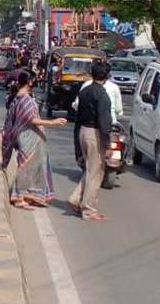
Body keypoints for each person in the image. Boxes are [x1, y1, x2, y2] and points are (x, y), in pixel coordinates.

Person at [1, 71, 66, 209]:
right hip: (26, 136)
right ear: (29, 82)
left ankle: (31, 196)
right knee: (26, 166)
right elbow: (31, 119)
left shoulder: (21, 97)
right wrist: (53, 122)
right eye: (34, 79)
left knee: (35, 165)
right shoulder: (24, 99)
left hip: (31, 136)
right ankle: (19, 198)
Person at [69, 63, 113, 221]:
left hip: (82, 131)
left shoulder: (85, 91)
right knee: (96, 173)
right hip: (95, 134)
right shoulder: (102, 95)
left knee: (90, 170)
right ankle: (88, 210)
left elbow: (78, 117)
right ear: (106, 77)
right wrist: (108, 144)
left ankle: (76, 199)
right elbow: (104, 121)